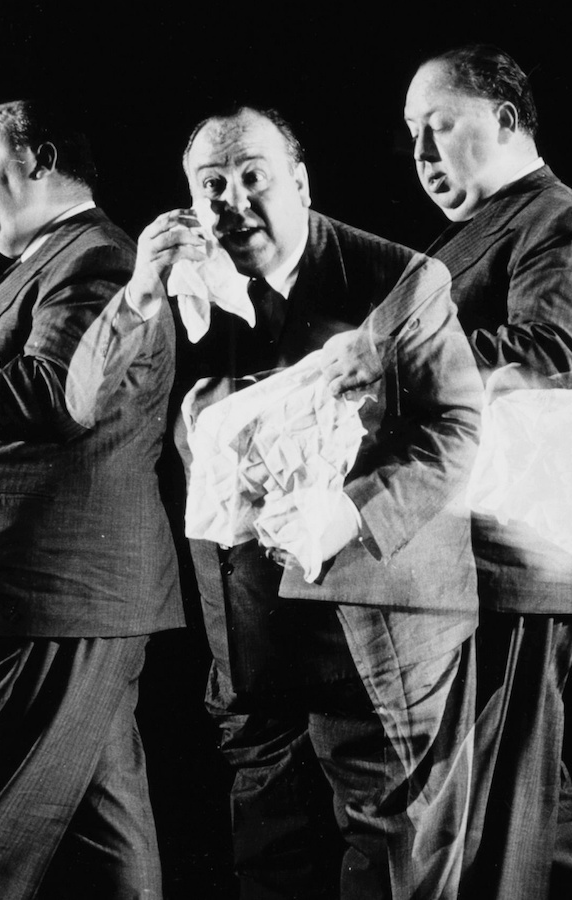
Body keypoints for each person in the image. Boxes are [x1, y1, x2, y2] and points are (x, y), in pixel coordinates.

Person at [133, 106, 482, 899]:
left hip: (373, 624)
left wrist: (352, 511)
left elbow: (459, 429)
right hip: (249, 635)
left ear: (300, 182)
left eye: (252, 177)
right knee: (271, 855)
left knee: (392, 860)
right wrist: (142, 300)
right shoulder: (185, 289)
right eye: (211, 185)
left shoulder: (401, 280)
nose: (232, 201)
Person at [402, 45, 572, 900]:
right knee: (526, 797)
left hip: (513, 558)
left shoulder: (564, 222)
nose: (422, 153)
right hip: (464, 559)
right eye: (411, 133)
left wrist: (385, 358)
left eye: (440, 125)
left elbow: (555, 356)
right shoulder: (466, 236)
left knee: (498, 798)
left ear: (504, 120)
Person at [0, 99, 180, 898]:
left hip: (36, 602)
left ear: (40, 159)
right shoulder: (64, 260)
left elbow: (55, 390)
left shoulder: (96, 258)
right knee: (105, 845)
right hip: (62, 602)